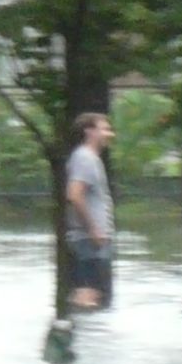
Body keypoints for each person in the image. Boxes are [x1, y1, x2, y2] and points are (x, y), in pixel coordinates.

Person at [61, 111, 116, 311]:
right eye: (105, 129)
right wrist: (93, 230)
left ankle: (79, 335)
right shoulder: (85, 158)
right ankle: (77, 337)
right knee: (88, 296)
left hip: (93, 240)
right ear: (89, 131)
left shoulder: (90, 158)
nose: (110, 134)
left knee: (94, 294)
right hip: (89, 241)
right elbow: (75, 195)